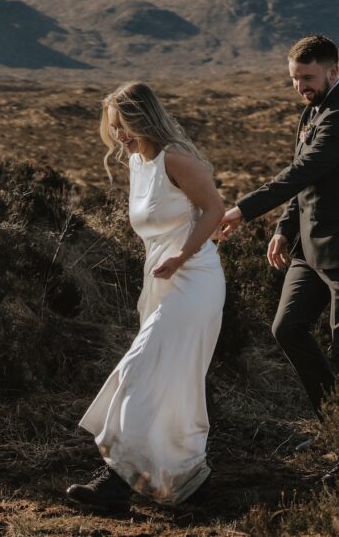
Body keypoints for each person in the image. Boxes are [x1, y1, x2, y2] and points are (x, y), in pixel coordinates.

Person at [67, 82, 226, 511]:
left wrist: (180, 255)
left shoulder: (176, 158)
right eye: (112, 127)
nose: (117, 135)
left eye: (122, 125)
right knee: (169, 383)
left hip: (194, 280)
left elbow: (214, 209)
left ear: (141, 117)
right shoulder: (139, 161)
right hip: (161, 280)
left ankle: (117, 483)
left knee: (139, 370)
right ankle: (191, 480)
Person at [220, 34, 339, 419]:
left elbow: (300, 172)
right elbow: (305, 183)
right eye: (295, 79)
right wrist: (283, 228)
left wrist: (242, 210)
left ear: (334, 71)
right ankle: (333, 415)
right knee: (287, 328)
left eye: (308, 78)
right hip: (310, 249)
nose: (301, 87)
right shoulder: (312, 110)